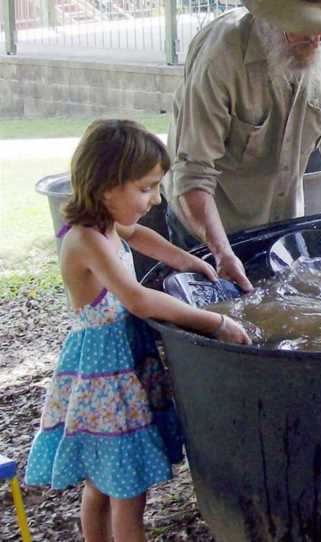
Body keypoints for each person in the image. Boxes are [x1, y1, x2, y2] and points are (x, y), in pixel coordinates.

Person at [25, 120, 251, 542]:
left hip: (118, 367)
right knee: (126, 491)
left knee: (104, 481)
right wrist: (216, 321)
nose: (156, 198)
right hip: (105, 377)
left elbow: (141, 235)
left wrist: (189, 261)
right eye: (146, 187)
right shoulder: (85, 240)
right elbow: (139, 300)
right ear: (107, 184)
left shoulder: (106, 225)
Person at [164, 0, 321, 292]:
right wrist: (221, 252)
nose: (316, 40)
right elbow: (193, 170)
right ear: (269, 18)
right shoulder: (222, 56)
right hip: (208, 226)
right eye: (303, 28)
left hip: (282, 222)